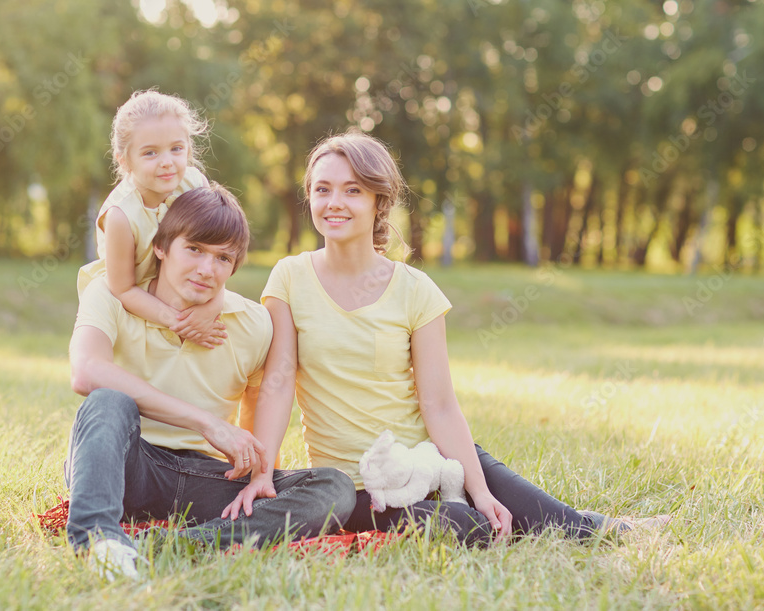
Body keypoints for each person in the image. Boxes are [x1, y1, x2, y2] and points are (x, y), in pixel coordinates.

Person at [223, 131, 667, 545]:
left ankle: (605, 528)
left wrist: (478, 487)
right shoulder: (290, 277)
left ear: (380, 201)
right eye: (322, 189)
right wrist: (265, 473)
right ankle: (513, 517)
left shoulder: (417, 290)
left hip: (428, 458)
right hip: (359, 485)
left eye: (352, 190)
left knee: (502, 492)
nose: (334, 202)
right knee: (472, 528)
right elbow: (278, 382)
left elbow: (438, 404)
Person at [65, 185, 356, 580]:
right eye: (195, 249)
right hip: (127, 465)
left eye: (223, 258)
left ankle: (172, 545)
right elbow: (86, 371)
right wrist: (208, 423)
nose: (207, 269)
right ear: (162, 247)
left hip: (207, 478)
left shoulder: (252, 323)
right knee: (108, 401)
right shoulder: (111, 293)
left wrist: (261, 475)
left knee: (334, 486)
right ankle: (98, 541)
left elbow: (259, 399)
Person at [77, 89, 224, 349]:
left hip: (184, 282)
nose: (167, 162)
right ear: (125, 161)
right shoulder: (121, 216)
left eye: (176, 149)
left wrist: (212, 305)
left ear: (188, 148)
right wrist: (180, 322)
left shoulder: (194, 183)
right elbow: (123, 289)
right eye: (150, 153)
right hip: (134, 295)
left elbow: (215, 250)